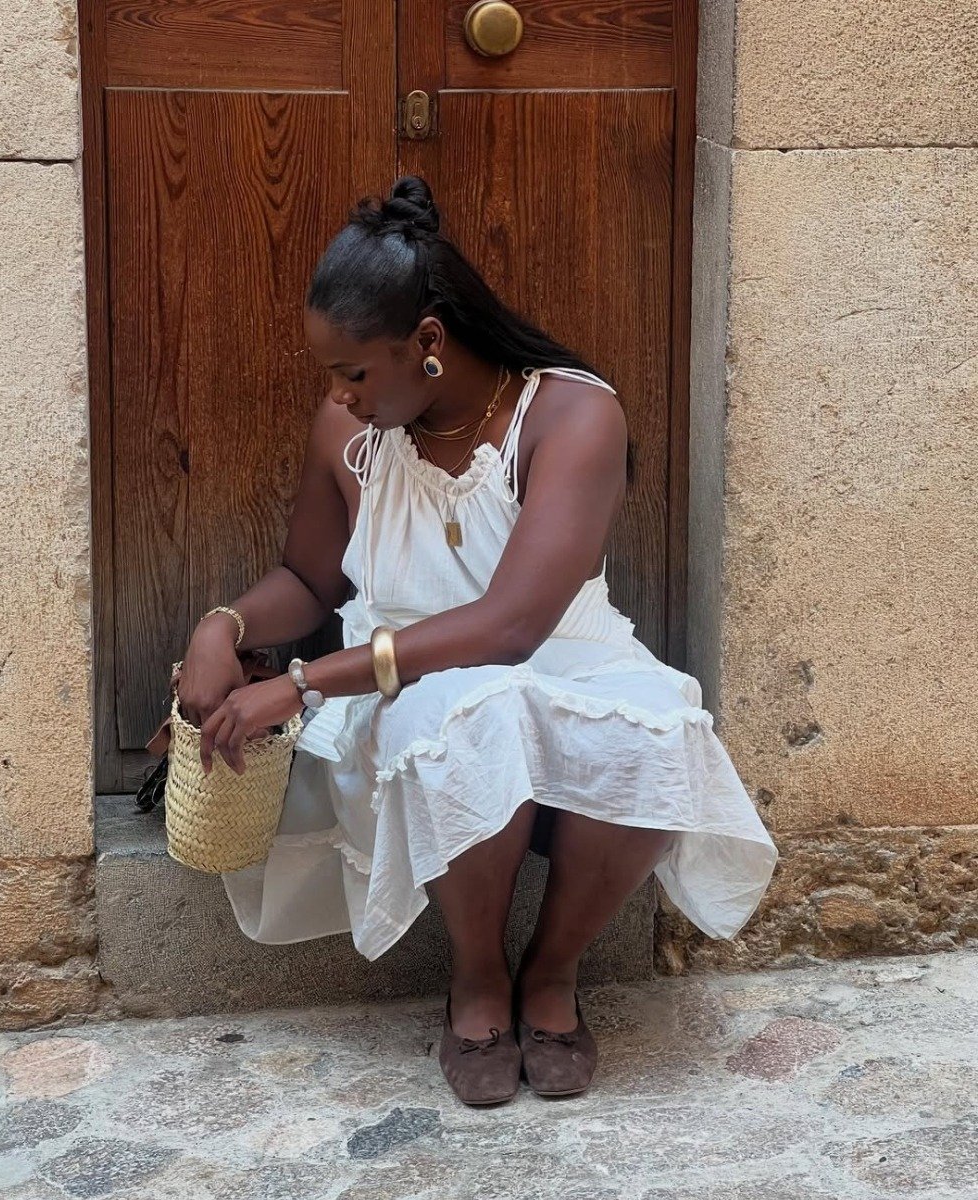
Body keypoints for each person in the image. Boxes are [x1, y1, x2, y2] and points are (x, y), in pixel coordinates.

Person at [175, 174, 779, 1106]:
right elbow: (310, 578)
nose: (337, 394)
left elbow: (512, 625)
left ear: (426, 343)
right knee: (469, 717)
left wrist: (300, 685)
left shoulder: (574, 415)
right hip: (411, 689)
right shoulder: (353, 431)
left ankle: (553, 971)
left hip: (561, 656)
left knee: (657, 726)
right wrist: (227, 625)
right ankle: (479, 977)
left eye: (353, 371)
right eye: (329, 376)